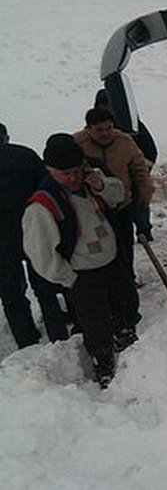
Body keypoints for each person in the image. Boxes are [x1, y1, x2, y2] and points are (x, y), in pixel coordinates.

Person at [22, 134, 138, 388]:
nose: (73, 177)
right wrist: (69, 278)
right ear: (50, 169)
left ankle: (129, 339)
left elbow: (118, 195)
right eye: (65, 173)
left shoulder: (90, 180)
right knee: (95, 324)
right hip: (82, 275)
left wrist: (101, 184)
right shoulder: (41, 206)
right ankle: (104, 365)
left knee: (126, 304)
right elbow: (41, 255)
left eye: (76, 170)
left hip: (112, 263)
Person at [0, 122, 71, 348]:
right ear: (6, 137)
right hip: (33, 230)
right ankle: (57, 334)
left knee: (11, 294)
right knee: (45, 284)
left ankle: (27, 341)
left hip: (2, 243)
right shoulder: (24, 155)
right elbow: (47, 186)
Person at [73, 107, 154, 302]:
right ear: (88, 129)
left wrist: (145, 189)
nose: (105, 133)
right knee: (99, 248)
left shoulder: (124, 141)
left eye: (108, 128)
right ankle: (104, 286)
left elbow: (139, 168)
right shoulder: (77, 143)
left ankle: (128, 280)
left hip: (121, 205)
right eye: (99, 130)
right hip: (92, 212)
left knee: (124, 244)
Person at [94, 89, 158, 241]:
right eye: (104, 106)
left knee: (139, 202)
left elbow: (150, 150)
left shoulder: (130, 124)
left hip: (132, 176)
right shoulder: (94, 127)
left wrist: (141, 170)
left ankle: (144, 232)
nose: (108, 109)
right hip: (107, 181)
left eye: (109, 105)